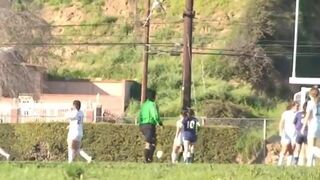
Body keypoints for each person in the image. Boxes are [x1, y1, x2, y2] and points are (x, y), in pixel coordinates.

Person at [138, 91, 162, 163]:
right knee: (149, 142)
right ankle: (147, 159)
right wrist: (159, 122)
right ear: (154, 97)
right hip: (149, 125)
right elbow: (154, 114)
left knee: (153, 141)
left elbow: (140, 115)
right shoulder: (152, 104)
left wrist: (140, 124)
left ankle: (149, 158)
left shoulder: (144, 104)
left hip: (142, 125)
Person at [301, 87, 320, 166]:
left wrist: (303, 127)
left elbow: (308, 115)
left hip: (313, 125)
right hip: (319, 125)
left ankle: (309, 164)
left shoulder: (310, 103)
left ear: (310, 94)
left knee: (310, 146)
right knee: (316, 145)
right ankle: (313, 163)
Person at [278, 101, 299, 166]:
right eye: (297, 106)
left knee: (291, 149)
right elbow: (281, 122)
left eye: (298, 106)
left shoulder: (298, 113)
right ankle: (280, 164)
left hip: (294, 134)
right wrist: (281, 131)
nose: (298, 107)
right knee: (284, 148)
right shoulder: (286, 113)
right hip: (286, 133)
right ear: (293, 106)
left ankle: (289, 165)